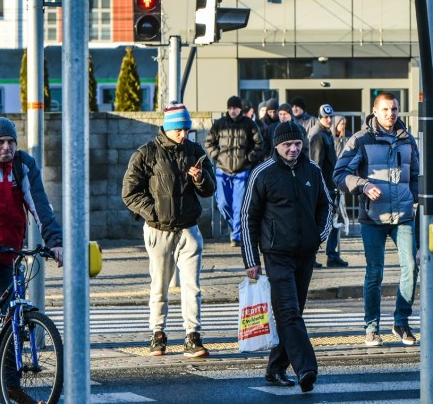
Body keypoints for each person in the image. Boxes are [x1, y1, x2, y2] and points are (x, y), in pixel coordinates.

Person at [0, 117, 64, 404]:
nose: (7, 147)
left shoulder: (24, 166)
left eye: (11, 142)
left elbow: (40, 204)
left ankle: (11, 385)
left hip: (9, 248)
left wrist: (55, 242)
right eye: (0, 142)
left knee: (16, 312)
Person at [241, 121, 331, 394]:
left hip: (305, 253)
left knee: (292, 313)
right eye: (286, 145)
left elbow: (326, 205)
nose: (293, 149)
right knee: (289, 312)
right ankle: (306, 368)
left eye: (297, 144)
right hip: (276, 253)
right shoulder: (263, 173)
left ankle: (275, 368)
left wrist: (318, 236)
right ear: (276, 146)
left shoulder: (312, 170)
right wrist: (250, 259)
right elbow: (248, 218)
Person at [122, 102, 216, 359]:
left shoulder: (195, 150)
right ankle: (157, 335)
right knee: (159, 285)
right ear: (167, 127)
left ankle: (193, 336)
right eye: (179, 129)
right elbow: (130, 192)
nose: (183, 134)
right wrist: (153, 213)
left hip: (188, 229)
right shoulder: (146, 153)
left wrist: (200, 178)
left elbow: (210, 189)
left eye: (186, 129)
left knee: (192, 286)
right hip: (158, 230)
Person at [334, 92, 419, 347]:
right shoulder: (360, 140)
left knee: (411, 268)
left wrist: (412, 195)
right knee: (375, 272)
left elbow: (416, 173)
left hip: (403, 215)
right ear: (375, 110)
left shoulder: (407, 139)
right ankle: (371, 327)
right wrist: (363, 184)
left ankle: (401, 322)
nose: (390, 114)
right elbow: (340, 174)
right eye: (385, 110)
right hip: (373, 216)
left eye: (394, 109)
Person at [205, 95, 264, 248]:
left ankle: (236, 236)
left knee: (239, 205)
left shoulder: (249, 124)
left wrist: (250, 157)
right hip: (222, 170)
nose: (232, 111)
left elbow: (259, 143)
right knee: (223, 203)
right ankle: (236, 228)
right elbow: (209, 142)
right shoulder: (219, 124)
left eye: (235, 108)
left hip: (242, 170)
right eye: (230, 108)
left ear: (240, 109)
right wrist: (217, 155)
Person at [309, 104, 347, 267]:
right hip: (324, 187)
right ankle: (313, 256)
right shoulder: (319, 135)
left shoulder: (325, 134)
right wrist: (321, 188)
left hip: (329, 185)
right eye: (326, 117)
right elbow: (317, 163)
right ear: (319, 118)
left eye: (331, 117)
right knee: (321, 223)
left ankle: (332, 254)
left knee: (334, 222)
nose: (329, 120)